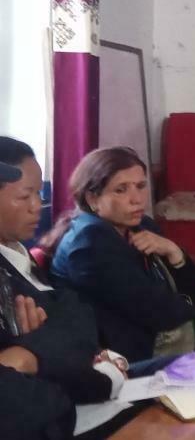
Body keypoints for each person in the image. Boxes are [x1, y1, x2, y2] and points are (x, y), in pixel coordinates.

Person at [0, 147, 129, 439]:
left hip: (87, 376)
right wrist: (104, 378)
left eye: (38, 194)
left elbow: (79, 318)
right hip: (68, 404)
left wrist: (28, 354)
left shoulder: (16, 252)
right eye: (25, 196)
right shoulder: (90, 239)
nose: (37, 206)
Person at [46, 146, 195, 362]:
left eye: (141, 186)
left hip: (153, 339)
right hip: (118, 360)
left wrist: (173, 251)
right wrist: (188, 303)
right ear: (92, 199)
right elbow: (161, 314)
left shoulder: (141, 226)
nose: (136, 199)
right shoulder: (89, 244)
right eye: (121, 190)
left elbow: (193, 290)